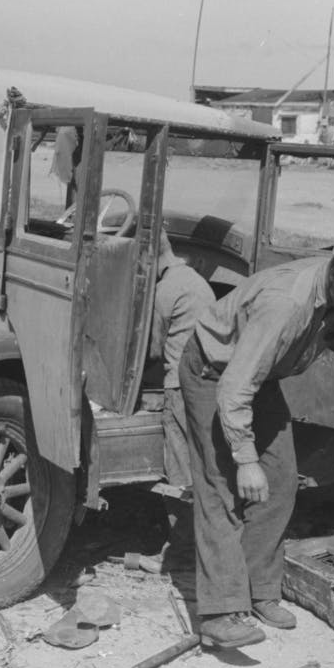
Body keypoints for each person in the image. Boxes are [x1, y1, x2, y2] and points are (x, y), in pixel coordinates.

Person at [178, 232, 334, 649]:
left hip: (258, 377)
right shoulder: (286, 305)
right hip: (214, 373)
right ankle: (218, 613)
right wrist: (246, 458)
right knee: (222, 487)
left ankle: (257, 590)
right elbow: (234, 388)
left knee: (282, 480)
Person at [149, 230, 215, 562]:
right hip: (207, 384)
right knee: (203, 466)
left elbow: (152, 350)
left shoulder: (164, 291)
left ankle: (180, 552)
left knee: (179, 472)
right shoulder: (196, 281)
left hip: (178, 386)